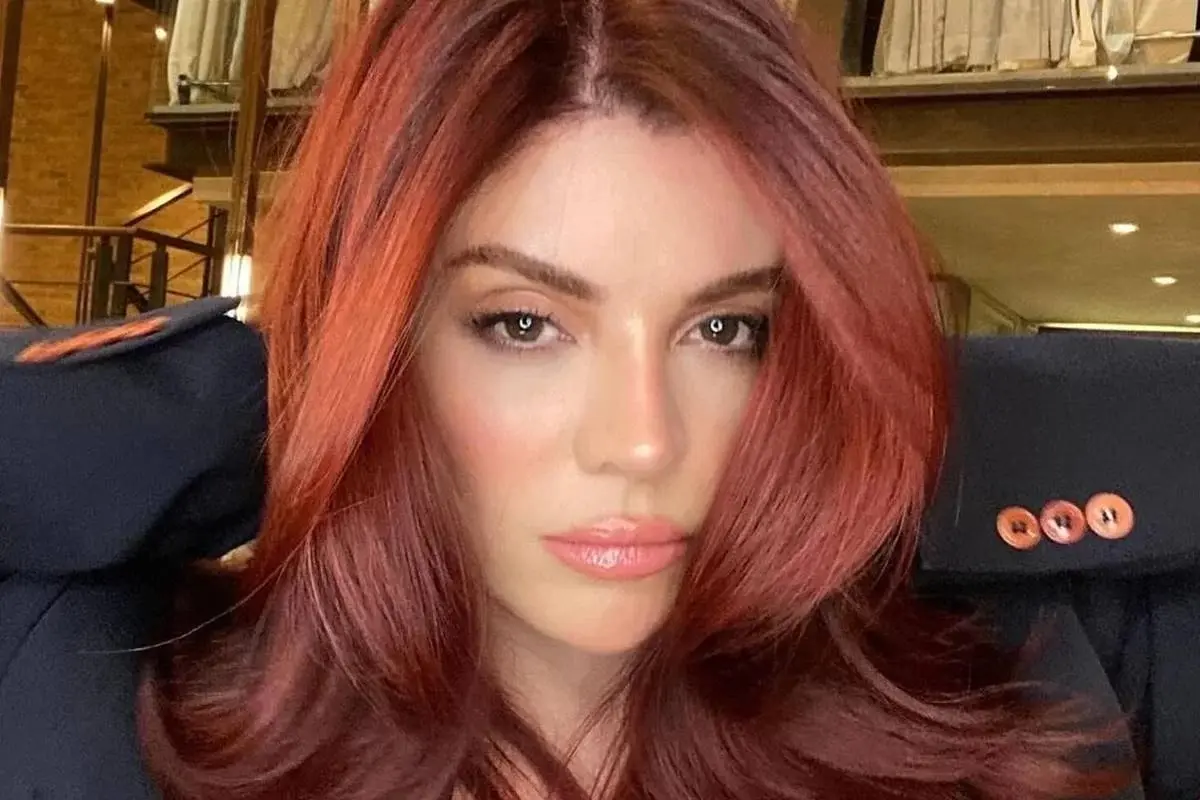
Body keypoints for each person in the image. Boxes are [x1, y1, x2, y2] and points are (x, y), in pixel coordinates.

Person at [0, 0, 1162, 797]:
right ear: (379, 344)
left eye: (725, 329)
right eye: (524, 324)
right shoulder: (86, 699)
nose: (640, 440)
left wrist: (898, 415)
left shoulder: (1031, 686)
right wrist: (250, 409)